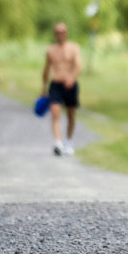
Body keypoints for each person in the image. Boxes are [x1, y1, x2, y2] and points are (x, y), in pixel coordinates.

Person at [41, 22, 81, 156]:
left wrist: (72, 78)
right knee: (55, 113)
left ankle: (68, 142)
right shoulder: (50, 50)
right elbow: (46, 70)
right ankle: (57, 143)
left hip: (70, 85)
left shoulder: (73, 48)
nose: (60, 34)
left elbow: (78, 66)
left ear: (66, 33)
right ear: (55, 34)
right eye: (58, 32)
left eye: (63, 32)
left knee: (71, 115)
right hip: (56, 85)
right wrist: (43, 87)